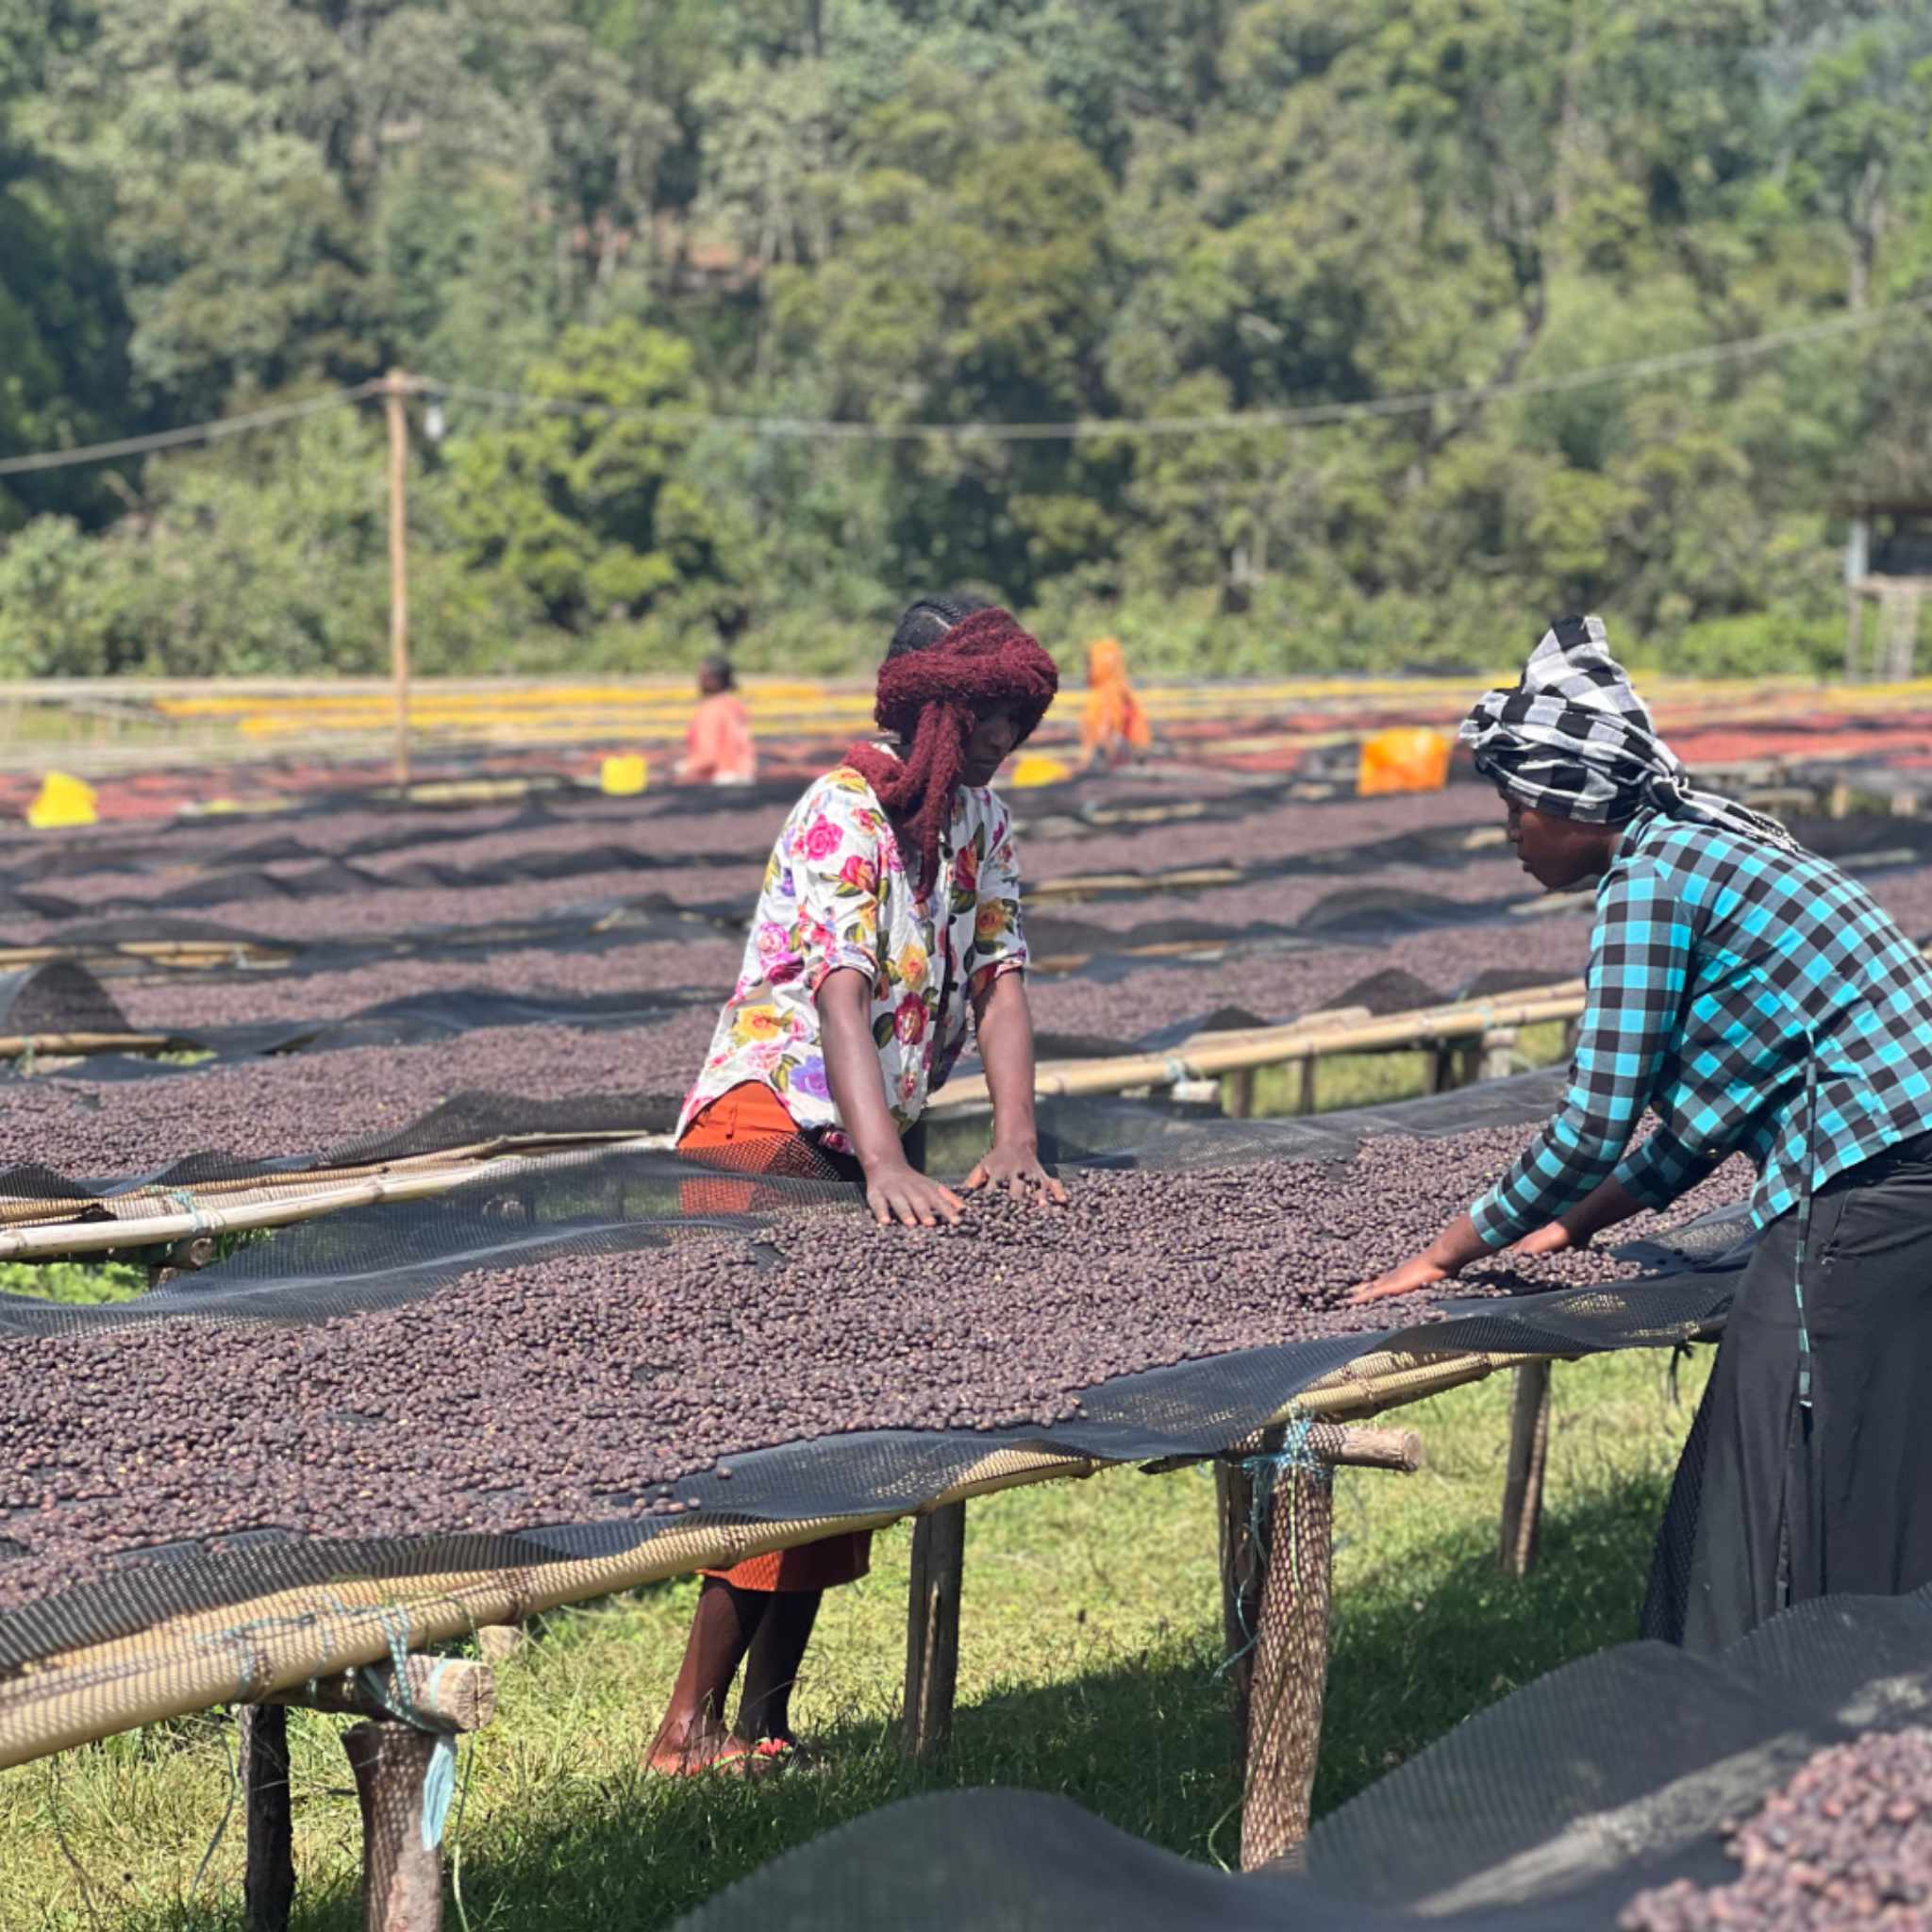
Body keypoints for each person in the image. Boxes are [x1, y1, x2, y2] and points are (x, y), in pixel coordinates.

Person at [1352, 614, 1932, 1654]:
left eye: (1516, 803)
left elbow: (1590, 1125)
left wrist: (1437, 1253)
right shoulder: (1699, 846)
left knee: (1777, 1450)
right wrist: (1568, 1229)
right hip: (1904, 1155)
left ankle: (1753, 1695)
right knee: (1863, 1435)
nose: (1508, 830)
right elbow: (1702, 1125)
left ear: (1574, 802)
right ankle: (1848, 1677)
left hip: (1867, 1169)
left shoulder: (1648, 882)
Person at [647, 595, 1069, 1774]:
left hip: (863, 1129)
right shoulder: (841, 811)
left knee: (841, 1434)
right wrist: (884, 1164)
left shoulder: (977, 822)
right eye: (985, 715)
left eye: (1013, 717)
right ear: (932, 704)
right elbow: (837, 989)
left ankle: (762, 1724)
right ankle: (686, 1729)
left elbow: (997, 974)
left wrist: (1015, 1136)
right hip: (767, 1130)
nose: (1002, 737)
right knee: (776, 1430)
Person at [677, 655, 757, 785]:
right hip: (744, 777)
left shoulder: (711, 710)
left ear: (712, 680)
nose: (699, 682)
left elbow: (707, 757)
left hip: (720, 781)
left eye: (701, 677)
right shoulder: (734, 706)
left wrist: (680, 769)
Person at [1078, 635, 1153, 770]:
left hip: (1113, 753)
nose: (1086, 670)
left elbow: (1111, 723)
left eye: (1089, 665)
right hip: (1113, 753)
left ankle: (1104, 754)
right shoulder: (1113, 690)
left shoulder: (1110, 694)